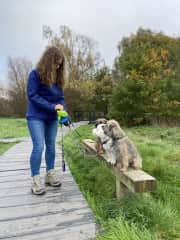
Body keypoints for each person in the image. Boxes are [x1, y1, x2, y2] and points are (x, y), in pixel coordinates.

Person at [26, 46, 66, 195]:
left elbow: (61, 98)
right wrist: (53, 106)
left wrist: (63, 110)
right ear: (48, 61)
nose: (57, 67)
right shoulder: (35, 74)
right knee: (38, 146)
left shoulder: (58, 79)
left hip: (52, 118)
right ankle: (35, 180)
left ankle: (49, 174)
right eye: (55, 63)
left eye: (60, 65)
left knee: (51, 146)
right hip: (36, 116)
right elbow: (33, 96)